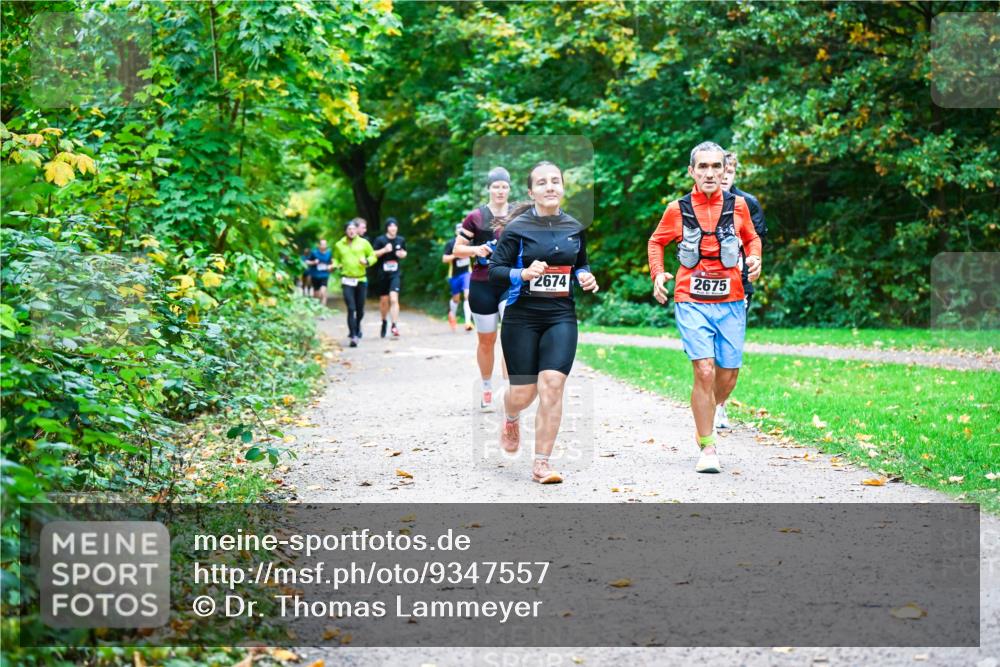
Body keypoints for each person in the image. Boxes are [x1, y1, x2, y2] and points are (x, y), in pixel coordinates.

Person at [647, 141, 762, 474]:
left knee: (728, 374)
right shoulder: (676, 209)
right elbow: (656, 241)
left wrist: (755, 258)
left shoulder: (739, 206)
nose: (710, 173)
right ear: (692, 171)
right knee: (705, 369)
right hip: (690, 297)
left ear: (725, 170)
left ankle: (708, 412)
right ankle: (708, 446)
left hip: (731, 300)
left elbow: (751, 238)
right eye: (703, 167)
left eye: (717, 167)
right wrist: (658, 274)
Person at [488, 161, 599, 484]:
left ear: (563, 187)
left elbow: (581, 263)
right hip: (521, 315)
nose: (550, 186)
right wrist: (521, 273)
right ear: (531, 191)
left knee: (552, 385)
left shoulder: (574, 227)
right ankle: (510, 415)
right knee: (524, 393)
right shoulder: (517, 228)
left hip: (560, 315)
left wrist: (585, 276)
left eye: (555, 181)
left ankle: (541, 463)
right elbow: (495, 270)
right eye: (542, 182)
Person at [452, 167, 512, 411]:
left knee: (511, 336)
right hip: (482, 284)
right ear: (488, 189)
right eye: (495, 186)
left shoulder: (518, 215)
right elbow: (457, 249)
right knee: (487, 341)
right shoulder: (475, 217)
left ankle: (510, 390)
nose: (500, 190)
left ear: (509, 189)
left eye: (504, 186)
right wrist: (476, 250)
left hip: (510, 282)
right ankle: (487, 386)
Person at [717, 150, 768, 430]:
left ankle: (719, 405)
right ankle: (710, 400)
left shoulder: (747, 203)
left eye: (730, 172)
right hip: (707, 286)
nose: (724, 176)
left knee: (729, 348)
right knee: (709, 351)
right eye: (721, 170)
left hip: (739, 285)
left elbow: (756, 241)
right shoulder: (699, 203)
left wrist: (750, 268)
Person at [333, 221, 376, 347]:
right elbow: (335, 258)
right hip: (347, 280)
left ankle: (357, 327)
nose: (351, 231)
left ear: (357, 230)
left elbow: (373, 255)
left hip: (361, 279)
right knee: (351, 308)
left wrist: (367, 261)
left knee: (360, 309)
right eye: (349, 229)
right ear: (345, 231)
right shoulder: (339, 245)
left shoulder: (364, 243)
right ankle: (353, 335)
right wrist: (334, 265)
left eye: (353, 229)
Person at [373, 218, 407, 338]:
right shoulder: (380, 240)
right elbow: (373, 254)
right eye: (390, 226)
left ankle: (394, 325)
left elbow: (404, 252)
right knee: (384, 301)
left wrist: (402, 254)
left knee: (394, 299)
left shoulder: (400, 240)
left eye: (395, 226)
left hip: (395, 273)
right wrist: (384, 250)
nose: (393, 228)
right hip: (383, 274)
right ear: (387, 228)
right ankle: (384, 321)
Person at [442, 223, 473, 331]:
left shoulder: (468, 242)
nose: (460, 230)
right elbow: (444, 259)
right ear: (455, 231)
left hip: (466, 273)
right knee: (456, 299)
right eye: (458, 228)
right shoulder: (451, 244)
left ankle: (468, 322)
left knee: (467, 295)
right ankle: (452, 316)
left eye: (462, 228)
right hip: (454, 275)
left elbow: (474, 254)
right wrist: (456, 254)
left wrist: (469, 251)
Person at [307, 239, 333, 307]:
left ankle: (323, 309)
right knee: (316, 294)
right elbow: (307, 262)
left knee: (323, 292)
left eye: (325, 244)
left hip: (324, 275)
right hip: (315, 275)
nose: (324, 246)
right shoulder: (314, 253)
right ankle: (316, 306)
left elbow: (331, 263)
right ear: (319, 245)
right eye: (322, 244)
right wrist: (313, 262)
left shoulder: (329, 253)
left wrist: (330, 266)